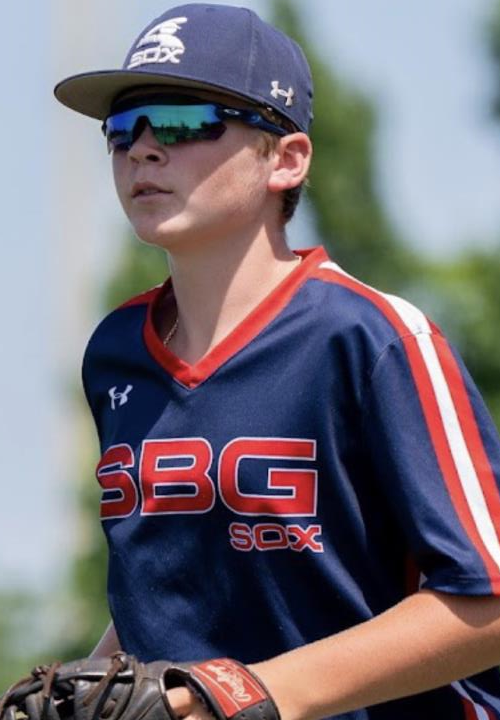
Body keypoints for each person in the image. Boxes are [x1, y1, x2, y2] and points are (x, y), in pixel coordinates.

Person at [53, 3, 500, 719]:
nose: (142, 149)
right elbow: (174, 591)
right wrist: (99, 684)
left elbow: (489, 603)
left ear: (287, 159)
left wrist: (246, 695)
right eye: (122, 129)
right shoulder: (116, 352)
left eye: (181, 122)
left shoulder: (373, 339)